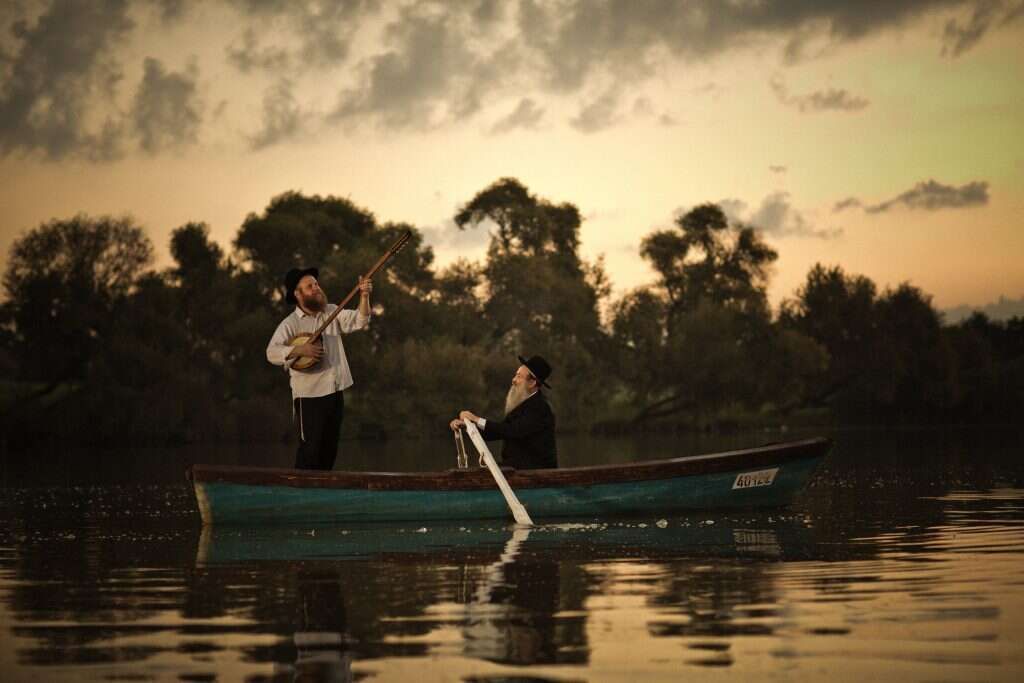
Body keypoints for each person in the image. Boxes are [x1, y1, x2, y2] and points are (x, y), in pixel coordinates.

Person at [267, 267, 372, 470]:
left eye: (316, 284)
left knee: (329, 450)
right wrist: (300, 349)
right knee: (310, 451)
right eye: (310, 286)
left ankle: (323, 488)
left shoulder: (331, 311)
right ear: (297, 294)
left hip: (335, 391)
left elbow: (361, 320)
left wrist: (364, 296)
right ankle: (300, 488)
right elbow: (271, 353)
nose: (316, 288)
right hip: (309, 396)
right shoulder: (290, 324)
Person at [450, 355, 557, 470]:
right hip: (515, 470)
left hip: (535, 473)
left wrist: (476, 419)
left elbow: (512, 431)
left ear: (532, 383)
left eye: (519, 376)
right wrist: (468, 426)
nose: (513, 380)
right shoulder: (522, 405)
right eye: (515, 375)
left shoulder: (540, 408)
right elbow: (497, 433)